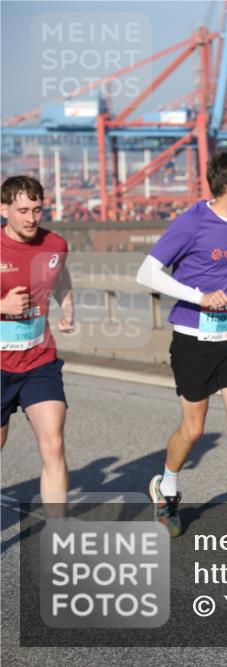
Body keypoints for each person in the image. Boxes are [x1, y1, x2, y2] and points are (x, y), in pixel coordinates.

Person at [135, 146, 227, 545]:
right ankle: (167, 488)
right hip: (193, 340)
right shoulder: (192, 222)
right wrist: (197, 296)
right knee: (193, 429)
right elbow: (147, 272)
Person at [1, 175, 74, 513]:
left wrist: (67, 303)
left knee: (54, 445)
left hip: (39, 361)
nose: (31, 218)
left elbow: (60, 275)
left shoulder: (55, 245)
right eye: (22, 210)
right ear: (4, 209)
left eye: (37, 209)